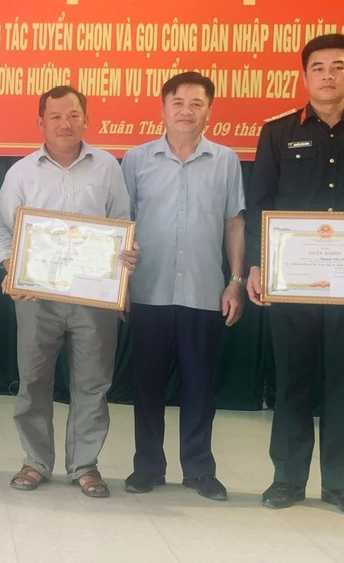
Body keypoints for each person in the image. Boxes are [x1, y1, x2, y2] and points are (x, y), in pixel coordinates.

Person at [246, 33, 344, 520]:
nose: (328, 75)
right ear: (305, 75)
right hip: (292, 283)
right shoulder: (278, 132)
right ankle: (288, 479)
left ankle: (343, 485)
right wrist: (257, 264)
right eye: (317, 67)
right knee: (292, 381)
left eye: (338, 66)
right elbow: (260, 204)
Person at [0, 85, 138, 497]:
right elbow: (1, 227)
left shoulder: (107, 167)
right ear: (40, 122)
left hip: (94, 298)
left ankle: (84, 465)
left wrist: (127, 254)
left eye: (73, 115)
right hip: (36, 297)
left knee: (93, 384)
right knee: (33, 381)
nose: (64, 123)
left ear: (86, 120)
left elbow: (121, 223)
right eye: (55, 116)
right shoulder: (21, 172)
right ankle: (35, 461)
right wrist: (11, 268)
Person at [120, 72, 245, 500]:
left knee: (200, 386)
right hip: (148, 290)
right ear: (162, 108)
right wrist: (120, 287)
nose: (186, 111)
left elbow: (234, 223)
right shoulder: (136, 159)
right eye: (177, 102)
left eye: (196, 103)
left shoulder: (226, 160)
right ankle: (147, 467)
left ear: (209, 110)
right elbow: (122, 224)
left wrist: (235, 281)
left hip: (204, 292)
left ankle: (199, 469)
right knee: (147, 386)